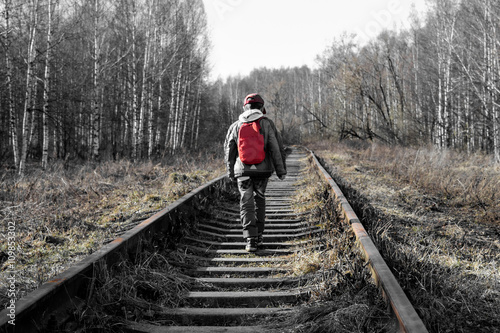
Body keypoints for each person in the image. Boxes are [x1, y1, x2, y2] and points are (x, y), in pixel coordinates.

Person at [224, 93, 287, 252]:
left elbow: (229, 150)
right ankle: (259, 235)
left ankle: (250, 239)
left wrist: (231, 171)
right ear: (262, 108)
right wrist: (281, 171)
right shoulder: (267, 123)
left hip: (243, 171)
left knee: (246, 201)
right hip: (262, 171)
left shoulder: (236, 125)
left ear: (245, 107)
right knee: (259, 199)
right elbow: (276, 148)